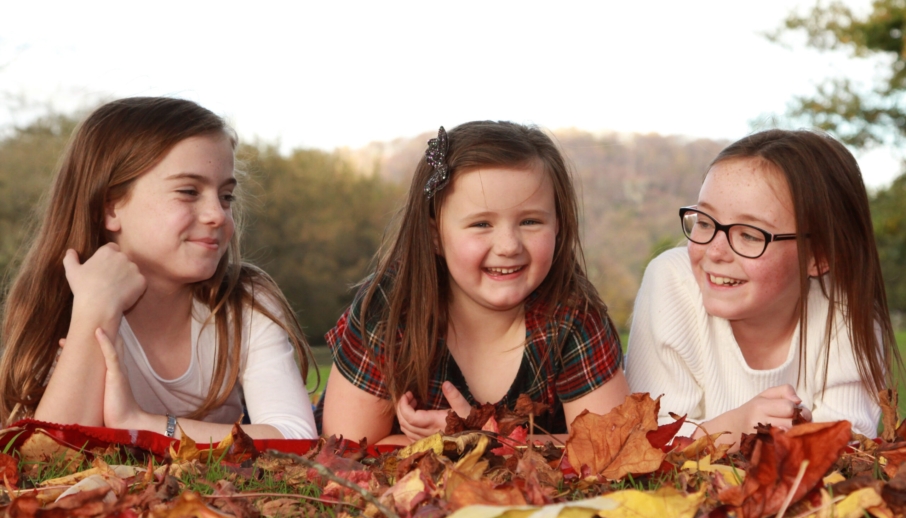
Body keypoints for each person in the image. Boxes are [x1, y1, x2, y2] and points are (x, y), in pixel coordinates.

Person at [0, 97, 317, 440]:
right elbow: (48, 454)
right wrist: (94, 309)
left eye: (226, 196)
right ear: (110, 208)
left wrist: (142, 422)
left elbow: (296, 436)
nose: (217, 214)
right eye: (188, 191)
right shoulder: (62, 305)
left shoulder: (244, 302)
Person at [320, 121, 629, 445]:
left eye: (530, 221)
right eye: (481, 224)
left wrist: (479, 439)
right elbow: (348, 445)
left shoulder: (573, 317)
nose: (509, 245)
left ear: (558, 227)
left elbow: (609, 446)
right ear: (435, 235)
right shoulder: (392, 306)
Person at [625, 129, 902, 446]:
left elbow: (846, 445)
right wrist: (737, 426)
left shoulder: (845, 313)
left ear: (819, 256)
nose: (715, 251)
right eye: (704, 222)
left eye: (750, 235)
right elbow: (648, 442)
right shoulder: (672, 282)